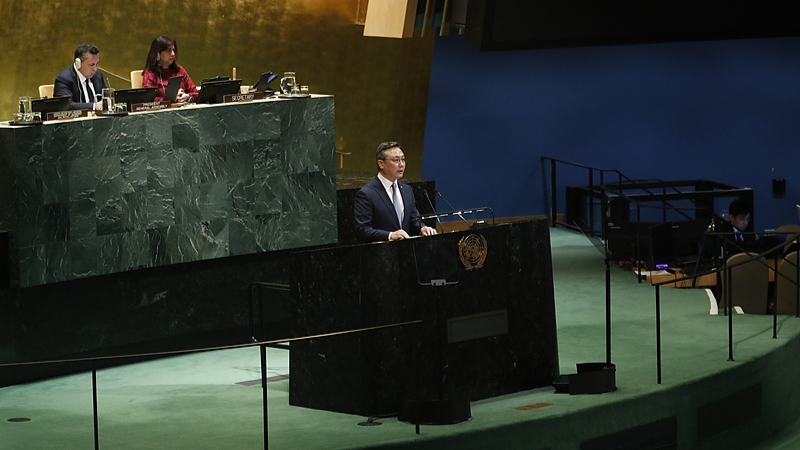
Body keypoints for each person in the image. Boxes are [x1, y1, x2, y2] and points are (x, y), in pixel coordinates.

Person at [354, 142, 437, 242]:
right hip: (382, 250)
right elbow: (362, 229)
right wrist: (390, 235)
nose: (401, 164)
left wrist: (423, 228)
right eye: (396, 160)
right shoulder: (367, 194)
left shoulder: (407, 190)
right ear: (381, 164)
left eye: (403, 159)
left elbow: (413, 220)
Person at [142, 35, 198, 103]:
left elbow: (195, 93)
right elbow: (147, 100)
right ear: (158, 54)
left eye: (173, 50)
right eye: (168, 50)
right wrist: (170, 99)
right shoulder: (150, 74)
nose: (173, 54)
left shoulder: (180, 70)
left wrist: (188, 96)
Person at [54, 43, 106, 110]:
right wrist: (94, 106)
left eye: (96, 64)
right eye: (91, 65)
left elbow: (106, 96)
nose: (95, 69)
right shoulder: (64, 79)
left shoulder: (97, 76)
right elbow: (66, 106)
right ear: (78, 63)